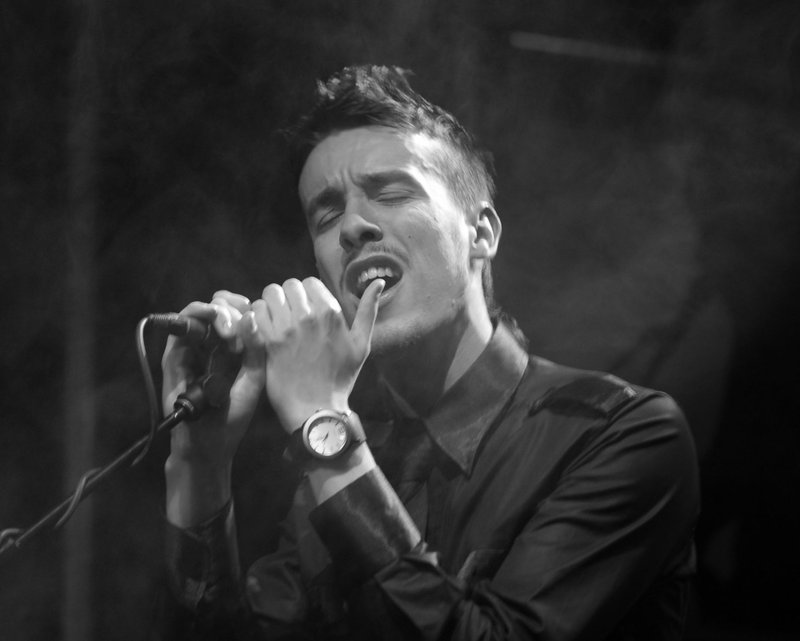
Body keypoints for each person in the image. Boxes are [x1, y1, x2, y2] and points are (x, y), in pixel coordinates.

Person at [160, 65, 700, 640]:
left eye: (391, 193)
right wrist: (200, 464)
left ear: (481, 234)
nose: (353, 227)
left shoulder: (621, 434)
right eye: (327, 214)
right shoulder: (341, 464)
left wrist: (326, 427)